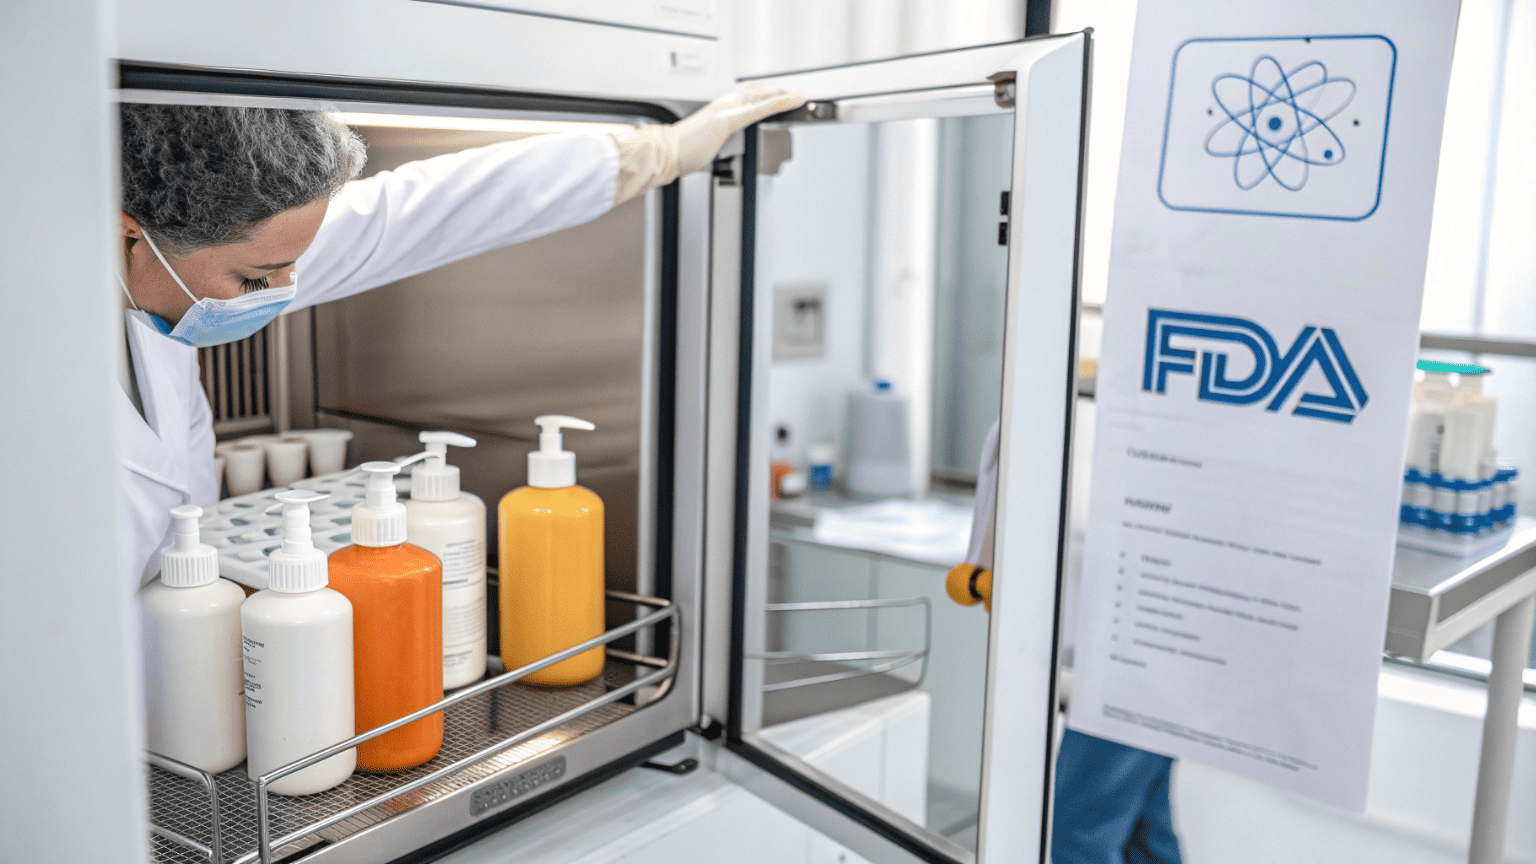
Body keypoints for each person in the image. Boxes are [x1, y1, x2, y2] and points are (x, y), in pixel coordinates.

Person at [117, 87, 804, 588]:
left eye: (297, 263)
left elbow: (427, 208)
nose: (287, 288)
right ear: (128, 237)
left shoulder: (200, 256)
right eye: (256, 277)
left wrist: (658, 152)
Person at [948, 420, 1183, 864]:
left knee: (1075, 835)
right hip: (1154, 664)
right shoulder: (1111, 409)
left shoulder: (1071, 413)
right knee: (1144, 831)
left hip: (1129, 668)